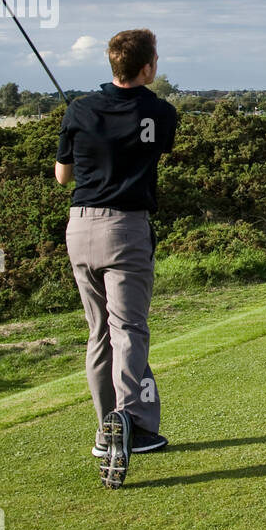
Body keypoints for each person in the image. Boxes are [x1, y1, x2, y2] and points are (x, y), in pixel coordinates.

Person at [55, 28, 179, 488]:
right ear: (146, 67)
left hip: (79, 227)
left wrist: (90, 126)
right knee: (128, 328)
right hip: (125, 229)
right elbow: (153, 149)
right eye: (156, 60)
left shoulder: (80, 110)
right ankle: (132, 425)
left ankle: (107, 424)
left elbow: (62, 176)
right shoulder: (161, 113)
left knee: (99, 332)